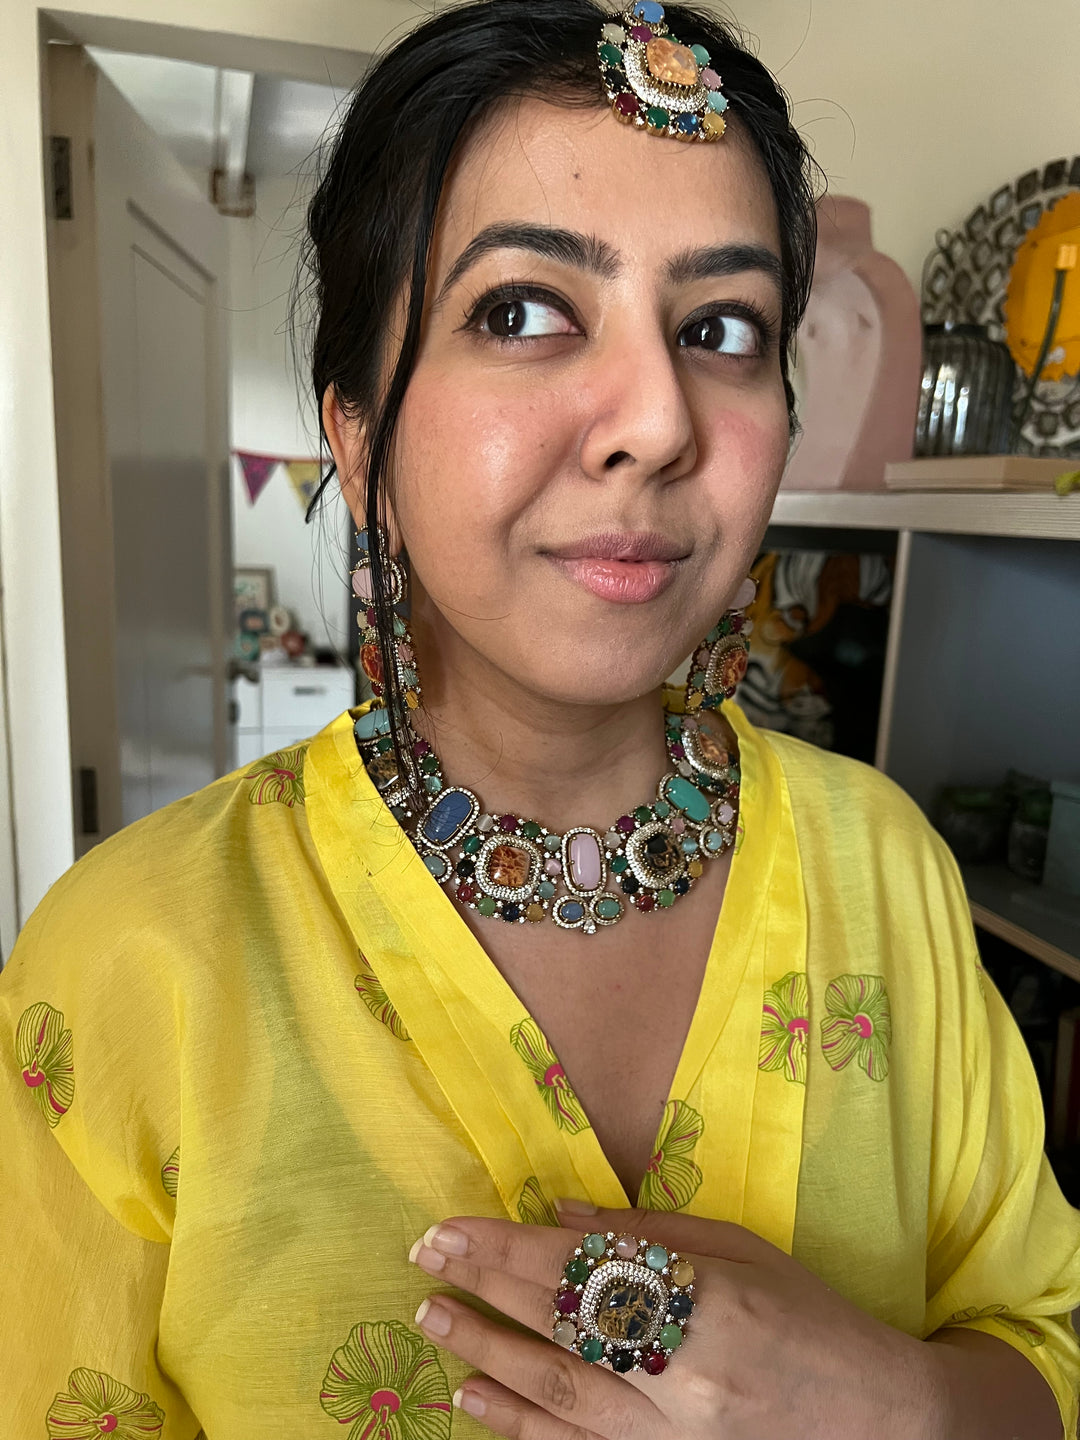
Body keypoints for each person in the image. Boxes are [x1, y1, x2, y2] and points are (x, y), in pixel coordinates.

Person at [2, 2, 1078, 1436]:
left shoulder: (885, 871)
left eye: (722, 327)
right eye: (521, 311)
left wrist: (901, 1404)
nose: (657, 419)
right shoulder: (134, 963)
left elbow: (1046, 1347)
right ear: (362, 434)